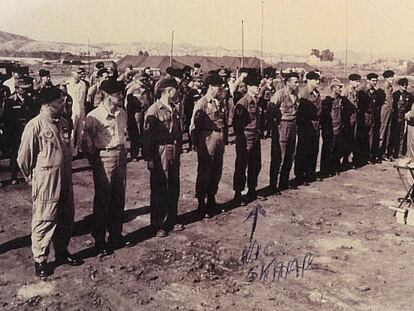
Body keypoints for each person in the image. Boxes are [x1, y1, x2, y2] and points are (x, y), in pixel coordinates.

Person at [17, 86, 82, 277]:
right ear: (47, 104)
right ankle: (40, 259)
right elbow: (23, 159)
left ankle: (62, 252)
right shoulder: (35, 126)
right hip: (47, 181)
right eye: (59, 101)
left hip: (65, 178)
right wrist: (32, 178)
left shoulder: (63, 122)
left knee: (66, 216)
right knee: (45, 218)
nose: (63, 104)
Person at [81, 78, 131, 255]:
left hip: (121, 156)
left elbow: (124, 134)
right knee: (103, 200)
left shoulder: (122, 113)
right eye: (118, 94)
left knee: (119, 197)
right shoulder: (94, 116)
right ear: (108, 96)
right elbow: (86, 143)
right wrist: (96, 161)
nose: (121, 96)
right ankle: (100, 239)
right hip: (104, 157)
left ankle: (116, 235)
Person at [143, 78, 184, 237]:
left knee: (174, 186)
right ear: (168, 90)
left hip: (173, 149)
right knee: (160, 187)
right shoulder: (154, 110)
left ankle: (171, 219)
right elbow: (147, 138)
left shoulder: (173, 108)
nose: (177, 93)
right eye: (175, 90)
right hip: (160, 151)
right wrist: (150, 159)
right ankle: (157, 224)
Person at [190, 73, 226, 218]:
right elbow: (193, 126)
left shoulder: (219, 102)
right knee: (205, 172)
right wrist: (196, 144)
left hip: (218, 139)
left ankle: (212, 199)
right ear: (211, 87)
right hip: (207, 139)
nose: (220, 90)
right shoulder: (202, 103)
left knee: (216, 170)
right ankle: (201, 203)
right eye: (218, 87)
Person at [232, 72, 266, 205]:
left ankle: (252, 190)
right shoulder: (243, 102)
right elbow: (237, 124)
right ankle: (238, 194)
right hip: (245, 137)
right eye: (254, 85)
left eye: (258, 85)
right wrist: (242, 139)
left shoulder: (257, 101)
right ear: (248, 87)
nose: (257, 87)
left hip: (255, 136)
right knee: (241, 165)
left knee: (255, 164)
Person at [267, 72, 299, 193]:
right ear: (288, 83)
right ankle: (272, 185)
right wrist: (275, 126)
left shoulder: (295, 95)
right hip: (282, 126)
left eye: (297, 82)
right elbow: (270, 110)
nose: (297, 84)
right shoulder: (280, 94)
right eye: (295, 82)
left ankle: (283, 183)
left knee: (290, 155)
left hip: (292, 125)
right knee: (279, 156)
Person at [3, 78, 37, 184]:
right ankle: (14, 176)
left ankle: (29, 174)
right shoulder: (10, 101)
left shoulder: (30, 100)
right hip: (15, 132)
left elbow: (33, 115)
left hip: (27, 131)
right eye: (23, 89)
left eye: (27, 89)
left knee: (30, 152)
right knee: (15, 154)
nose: (25, 91)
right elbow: (5, 118)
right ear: (17, 89)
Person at [295, 71, 322, 185]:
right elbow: (300, 113)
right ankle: (300, 175)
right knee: (303, 150)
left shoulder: (317, 93)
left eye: (318, 79)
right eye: (316, 79)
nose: (318, 82)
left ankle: (310, 173)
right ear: (309, 80)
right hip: (306, 126)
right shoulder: (304, 93)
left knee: (314, 149)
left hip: (315, 126)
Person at [320, 79, 349, 177]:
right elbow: (324, 118)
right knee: (328, 149)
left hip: (339, 128)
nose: (341, 89)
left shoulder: (341, 100)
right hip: (330, 129)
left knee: (337, 149)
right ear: (333, 88)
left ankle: (334, 168)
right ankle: (324, 171)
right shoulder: (327, 101)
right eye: (339, 87)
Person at [357, 73, 384, 165]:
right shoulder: (362, 91)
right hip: (364, 116)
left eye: (376, 80)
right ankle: (360, 157)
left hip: (372, 117)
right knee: (362, 136)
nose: (375, 82)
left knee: (371, 136)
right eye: (373, 80)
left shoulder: (375, 92)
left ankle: (368, 156)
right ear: (368, 80)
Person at [390, 78, 413, 158]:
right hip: (395, 117)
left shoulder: (409, 95)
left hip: (403, 118)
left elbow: (410, 107)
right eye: (403, 85)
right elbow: (393, 106)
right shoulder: (395, 94)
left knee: (401, 135)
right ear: (399, 85)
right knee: (393, 134)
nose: (404, 86)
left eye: (406, 85)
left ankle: (399, 152)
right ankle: (390, 152)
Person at [342, 73, 360, 168]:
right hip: (348, 119)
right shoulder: (345, 91)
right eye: (356, 81)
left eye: (358, 81)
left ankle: (346, 159)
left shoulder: (355, 91)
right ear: (351, 81)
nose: (358, 83)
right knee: (346, 140)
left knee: (352, 139)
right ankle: (343, 161)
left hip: (354, 118)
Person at [67, 69, 87, 157]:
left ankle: (79, 149)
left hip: (81, 107)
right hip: (73, 108)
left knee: (81, 130)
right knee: (72, 130)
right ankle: (70, 151)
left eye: (80, 73)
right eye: (77, 73)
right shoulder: (69, 84)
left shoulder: (83, 84)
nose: (79, 75)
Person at [379, 70, 395, 161]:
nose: (392, 79)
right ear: (385, 78)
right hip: (383, 113)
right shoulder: (383, 89)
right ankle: (378, 153)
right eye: (390, 77)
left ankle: (384, 153)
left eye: (392, 77)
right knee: (382, 133)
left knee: (388, 133)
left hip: (389, 113)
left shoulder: (390, 88)